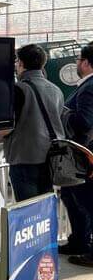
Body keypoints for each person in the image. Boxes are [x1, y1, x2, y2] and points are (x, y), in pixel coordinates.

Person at [1, 44, 65, 202]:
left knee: (28, 211)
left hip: (25, 159)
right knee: (44, 210)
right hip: (52, 158)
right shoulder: (56, 90)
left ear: (21, 64)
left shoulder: (19, 89)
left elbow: (7, 128)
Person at [63, 44, 93, 264]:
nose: (76, 63)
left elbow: (85, 121)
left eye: (78, 59)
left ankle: (87, 248)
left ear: (86, 62)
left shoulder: (89, 87)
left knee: (86, 202)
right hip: (82, 156)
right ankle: (79, 241)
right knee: (74, 199)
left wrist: (63, 113)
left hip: (83, 156)